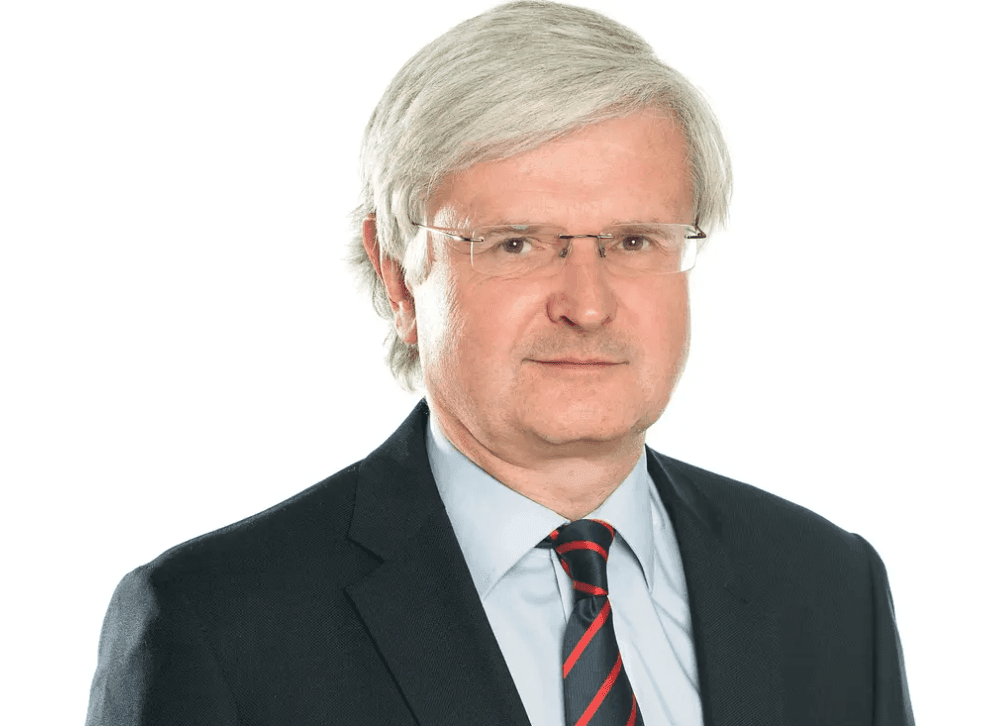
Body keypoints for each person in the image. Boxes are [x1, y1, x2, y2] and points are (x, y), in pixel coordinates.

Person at [84, 1, 915, 724]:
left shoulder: (829, 587)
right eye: (517, 243)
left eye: (633, 241)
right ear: (398, 273)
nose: (586, 304)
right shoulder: (218, 624)